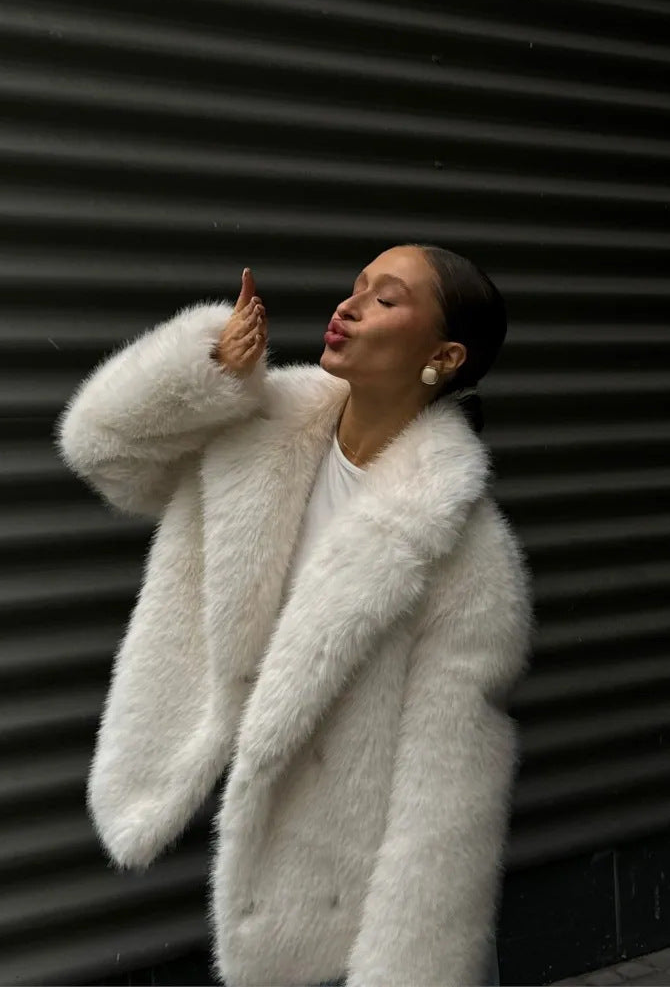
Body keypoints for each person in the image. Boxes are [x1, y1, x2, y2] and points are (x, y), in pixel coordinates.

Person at [56, 244, 533, 987]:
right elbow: (102, 453)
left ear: (443, 357)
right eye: (357, 287)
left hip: (351, 908)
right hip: (229, 825)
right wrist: (208, 370)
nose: (349, 306)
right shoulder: (258, 423)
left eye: (385, 299)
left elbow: (445, 802)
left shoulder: (466, 555)